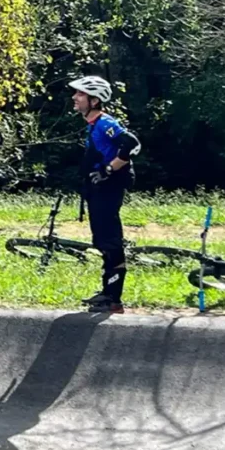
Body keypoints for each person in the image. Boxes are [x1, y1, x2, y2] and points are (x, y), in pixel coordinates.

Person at [70, 75, 141, 314]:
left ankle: (113, 298)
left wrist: (110, 168)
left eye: (80, 94)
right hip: (98, 190)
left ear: (94, 100)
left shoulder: (104, 123)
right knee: (103, 240)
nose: (75, 97)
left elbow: (130, 143)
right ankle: (108, 293)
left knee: (110, 241)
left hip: (108, 189)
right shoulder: (93, 125)